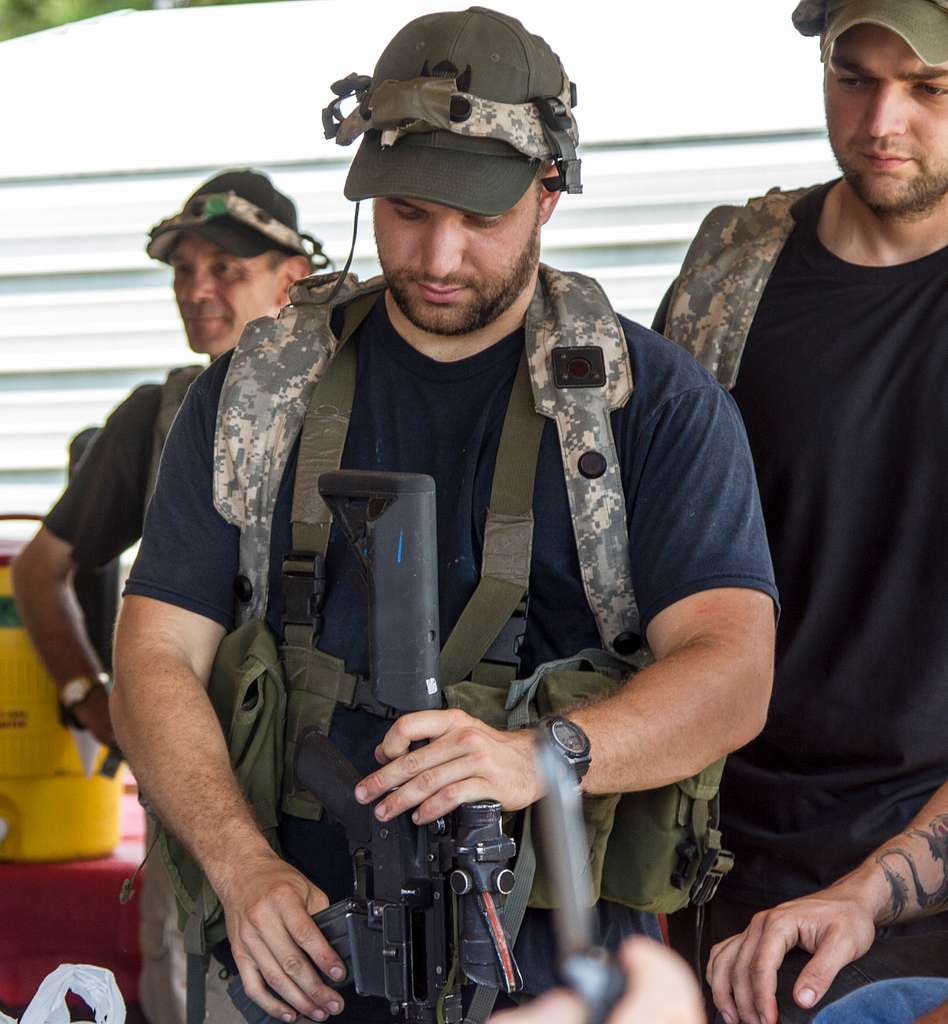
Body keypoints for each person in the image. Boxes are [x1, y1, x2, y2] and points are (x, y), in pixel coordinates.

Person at [111, 8, 777, 1024]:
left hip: (550, 966)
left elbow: (733, 670)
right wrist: (241, 869)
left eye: (481, 216)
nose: (438, 252)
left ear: (549, 193)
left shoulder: (648, 403)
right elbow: (155, 652)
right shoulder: (259, 392)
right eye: (409, 210)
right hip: (300, 953)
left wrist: (537, 756)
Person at [654, 2, 948, 1022]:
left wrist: (873, 889)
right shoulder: (734, 268)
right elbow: (644, 555)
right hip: (717, 857)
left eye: (929, 88)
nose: (882, 121)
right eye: (853, 78)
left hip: (919, 880)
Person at [11, 168, 318, 1024]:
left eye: (226, 266)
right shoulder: (158, 414)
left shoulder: (359, 396)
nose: (198, 287)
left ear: (294, 274)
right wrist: (92, 700)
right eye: (184, 269)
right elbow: (41, 569)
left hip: (334, 787)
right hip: (196, 803)